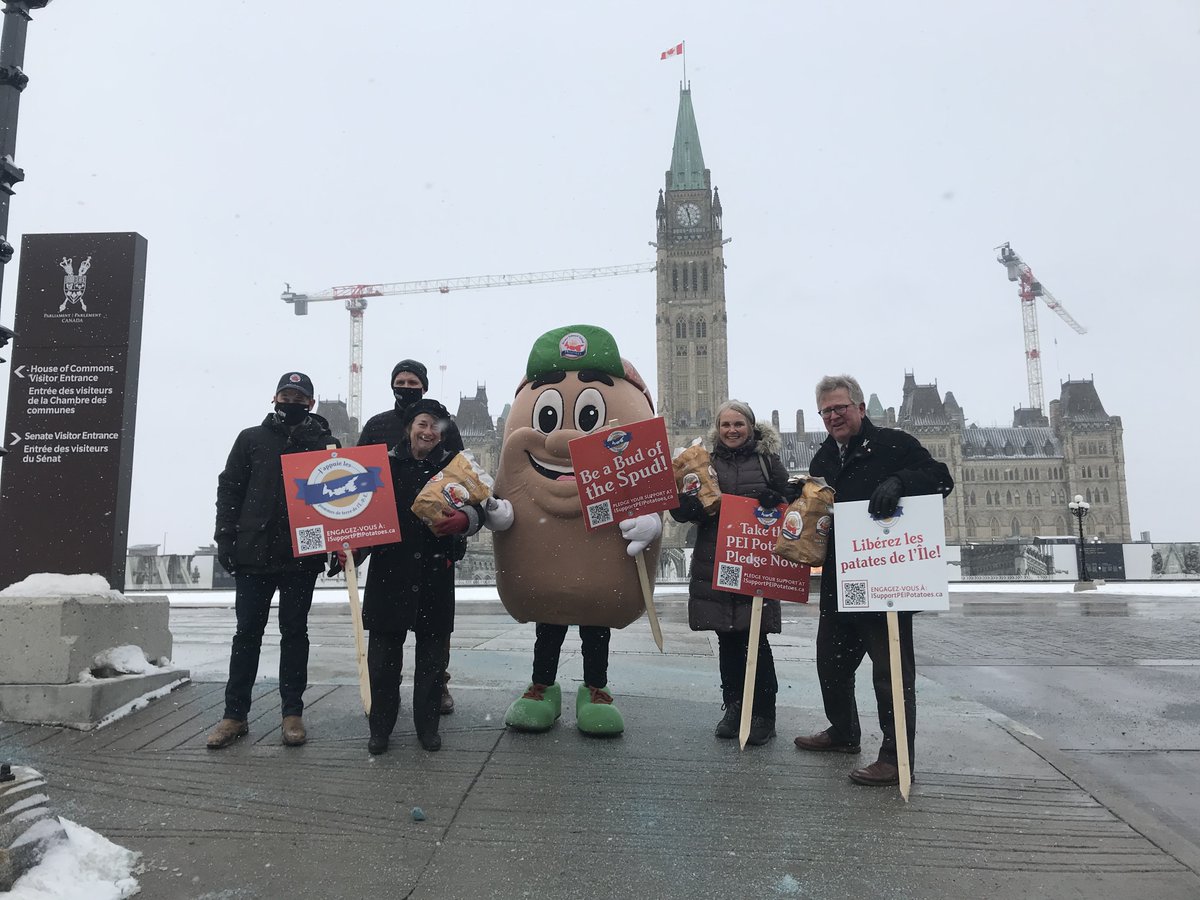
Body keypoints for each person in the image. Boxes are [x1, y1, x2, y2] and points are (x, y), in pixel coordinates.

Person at [793, 375, 954, 785]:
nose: (833, 416)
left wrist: (901, 481)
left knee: (891, 675)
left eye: (840, 408)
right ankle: (844, 731)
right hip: (840, 579)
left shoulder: (895, 445)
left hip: (886, 582)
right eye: (826, 410)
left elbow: (940, 478)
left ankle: (896, 756)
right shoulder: (823, 459)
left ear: (860, 408)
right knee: (830, 665)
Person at [207, 372, 338, 750]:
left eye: (299, 396)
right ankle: (235, 715)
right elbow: (229, 488)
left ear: (310, 403)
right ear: (274, 398)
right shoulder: (251, 439)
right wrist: (225, 537)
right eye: (286, 394)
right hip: (254, 551)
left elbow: (339, 499)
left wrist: (335, 544)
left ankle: (291, 713)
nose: (291, 400)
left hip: (302, 552)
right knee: (247, 635)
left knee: (295, 634)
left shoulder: (325, 443)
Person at [361, 399, 483, 754]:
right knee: (383, 662)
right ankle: (380, 728)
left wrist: (465, 522)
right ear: (410, 428)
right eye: (423, 424)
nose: (428, 432)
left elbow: (481, 507)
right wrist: (350, 551)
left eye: (436, 427)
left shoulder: (455, 467)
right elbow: (361, 519)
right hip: (389, 572)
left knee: (432, 661)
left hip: (435, 572)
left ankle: (427, 726)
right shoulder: (381, 467)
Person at [671, 399, 795, 746]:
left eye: (738, 424)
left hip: (756, 561)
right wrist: (687, 505)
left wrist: (774, 498)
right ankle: (735, 707)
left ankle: (763, 715)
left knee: (756, 638)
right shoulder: (704, 461)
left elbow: (789, 499)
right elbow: (684, 509)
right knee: (728, 638)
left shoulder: (767, 460)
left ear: (751, 427)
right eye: (726, 425)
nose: (732, 430)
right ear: (718, 428)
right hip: (718, 560)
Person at [358, 358, 462, 715]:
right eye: (400, 380)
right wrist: (354, 545)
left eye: (412, 381)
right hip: (390, 545)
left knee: (434, 633)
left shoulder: (446, 425)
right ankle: (383, 704)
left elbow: (464, 478)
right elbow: (356, 481)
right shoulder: (375, 426)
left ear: (424, 386)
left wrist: (461, 529)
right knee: (386, 636)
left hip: (434, 543)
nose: (405, 385)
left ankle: (436, 691)